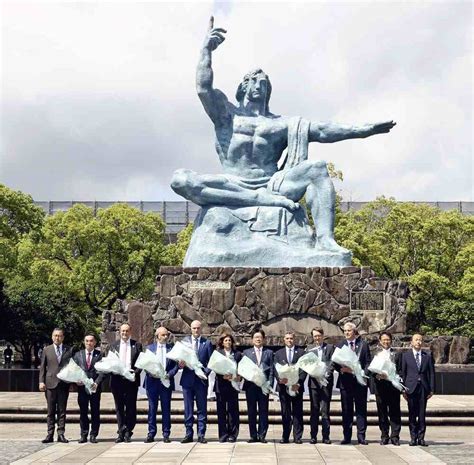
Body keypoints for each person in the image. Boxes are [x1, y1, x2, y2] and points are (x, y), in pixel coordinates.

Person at [171, 17, 396, 255]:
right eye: (253, 82)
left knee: (317, 169)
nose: (259, 86)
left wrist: (363, 130)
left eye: (264, 83)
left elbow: (322, 131)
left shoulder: (281, 124)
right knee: (180, 180)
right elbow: (203, 89)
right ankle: (259, 200)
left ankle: (325, 240)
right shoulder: (227, 115)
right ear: (243, 87)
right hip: (232, 182)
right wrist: (206, 50)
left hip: (272, 184)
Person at [334, 322, 372, 445]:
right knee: (346, 410)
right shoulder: (340, 345)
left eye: (349, 331)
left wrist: (361, 373)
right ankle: (347, 436)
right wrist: (341, 369)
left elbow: (367, 363)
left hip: (360, 383)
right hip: (345, 383)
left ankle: (361, 436)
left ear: (354, 331)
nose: (346, 333)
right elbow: (334, 362)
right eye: (345, 331)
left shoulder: (363, 345)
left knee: (361, 410)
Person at [179, 320, 213, 443]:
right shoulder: (184, 343)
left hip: (201, 381)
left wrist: (205, 373)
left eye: (198, 328)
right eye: (194, 328)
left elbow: (211, 362)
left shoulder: (207, 343)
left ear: (201, 329)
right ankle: (188, 433)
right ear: (190, 329)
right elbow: (179, 359)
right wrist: (180, 364)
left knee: (201, 408)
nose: (196, 330)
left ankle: (201, 434)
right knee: (188, 408)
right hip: (187, 381)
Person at [108, 323, 143, 443]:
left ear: (130, 332)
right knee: (119, 408)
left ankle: (128, 430)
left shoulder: (137, 345)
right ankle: (120, 431)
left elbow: (140, 363)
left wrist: (135, 373)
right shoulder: (113, 346)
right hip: (117, 381)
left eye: (127, 331)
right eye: (123, 331)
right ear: (119, 332)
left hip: (131, 381)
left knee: (131, 407)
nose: (124, 333)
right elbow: (109, 362)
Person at [144, 327, 178, 443]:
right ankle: (151, 433)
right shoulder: (149, 348)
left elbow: (175, 366)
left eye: (166, 335)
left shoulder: (171, 348)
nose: (165, 337)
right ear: (157, 335)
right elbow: (145, 364)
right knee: (152, 408)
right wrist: (151, 372)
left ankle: (166, 433)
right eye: (163, 335)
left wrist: (169, 374)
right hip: (152, 382)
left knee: (166, 408)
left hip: (166, 382)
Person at [400, 334, 435, 447]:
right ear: (412, 342)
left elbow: (431, 374)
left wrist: (432, 389)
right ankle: (413, 438)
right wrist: (403, 389)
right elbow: (403, 373)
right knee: (412, 414)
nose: (418, 342)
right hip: (411, 388)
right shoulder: (406, 356)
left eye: (420, 340)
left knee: (422, 414)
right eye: (416, 340)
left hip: (423, 388)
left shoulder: (427, 356)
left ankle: (421, 438)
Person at [39, 328, 72, 443]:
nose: (57, 338)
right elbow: (42, 367)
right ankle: (50, 434)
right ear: (52, 337)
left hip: (63, 384)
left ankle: (61, 434)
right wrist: (41, 381)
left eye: (59, 336)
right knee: (51, 410)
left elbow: (71, 366)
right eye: (55, 336)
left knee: (62, 411)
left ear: (63, 337)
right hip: (50, 384)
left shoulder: (69, 349)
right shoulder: (47, 350)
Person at [274, 332, 306, 444]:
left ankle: (297, 436)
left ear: (294, 339)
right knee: (285, 412)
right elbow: (275, 369)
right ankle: (285, 436)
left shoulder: (301, 352)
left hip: (296, 387)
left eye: (291, 338)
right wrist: (279, 379)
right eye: (287, 338)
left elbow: (304, 369)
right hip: (283, 387)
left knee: (297, 412)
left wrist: (299, 383)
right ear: (284, 340)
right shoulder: (278, 353)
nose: (289, 340)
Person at [370, 332, 402, 446]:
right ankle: (384, 435)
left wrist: (393, 376)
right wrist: (377, 375)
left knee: (395, 412)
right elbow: (370, 370)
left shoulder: (397, 354)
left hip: (393, 387)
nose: (386, 342)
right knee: (382, 412)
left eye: (388, 339)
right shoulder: (375, 353)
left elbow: (401, 370)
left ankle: (395, 436)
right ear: (380, 341)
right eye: (383, 340)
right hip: (380, 387)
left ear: (391, 340)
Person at [242, 329, 274, 443]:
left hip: (263, 386)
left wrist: (269, 384)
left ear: (264, 339)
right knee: (251, 411)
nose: (258, 339)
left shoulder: (269, 352)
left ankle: (262, 435)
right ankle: (253, 435)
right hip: (251, 386)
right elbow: (243, 369)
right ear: (252, 339)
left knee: (263, 411)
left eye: (260, 337)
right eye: (256, 337)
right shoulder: (246, 352)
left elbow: (271, 370)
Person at [73, 334, 105, 443]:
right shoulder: (78, 355)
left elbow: (102, 371)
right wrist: (76, 380)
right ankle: (83, 434)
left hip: (94, 388)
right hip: (82, 388)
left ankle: (93, 434)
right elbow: (74, 370)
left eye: (91, 341)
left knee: (95, 411)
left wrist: (97, 383)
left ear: (95, 342)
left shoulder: (100, 355)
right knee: (83, 411)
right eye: (86, 341)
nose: (89, 343)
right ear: (84, 342)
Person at [306, 327, 335, 444]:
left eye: (319, 336)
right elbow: (306, 364)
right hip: (313, 384)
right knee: (314, 410)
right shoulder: (309, 349)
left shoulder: (330, 348)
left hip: (326, 383)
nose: (317, 338)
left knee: (325, 410)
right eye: (315, 336)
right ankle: (313, 436)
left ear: (323, 336)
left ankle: (326, 436)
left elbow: (333, 362)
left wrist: (326, 373)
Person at [214, 333, 242, 443]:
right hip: (220, 386)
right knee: (221, 411)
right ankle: (223, 434)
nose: (228, 342)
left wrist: (238, 377)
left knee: (233, 411)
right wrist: (222, 375)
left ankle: (233, 434)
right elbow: (214, 367)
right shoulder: (217, 353)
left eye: (229, 340)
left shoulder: (238, 354)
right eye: (226, 340)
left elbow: (242, 368)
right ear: (222, 342)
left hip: (233, 386)